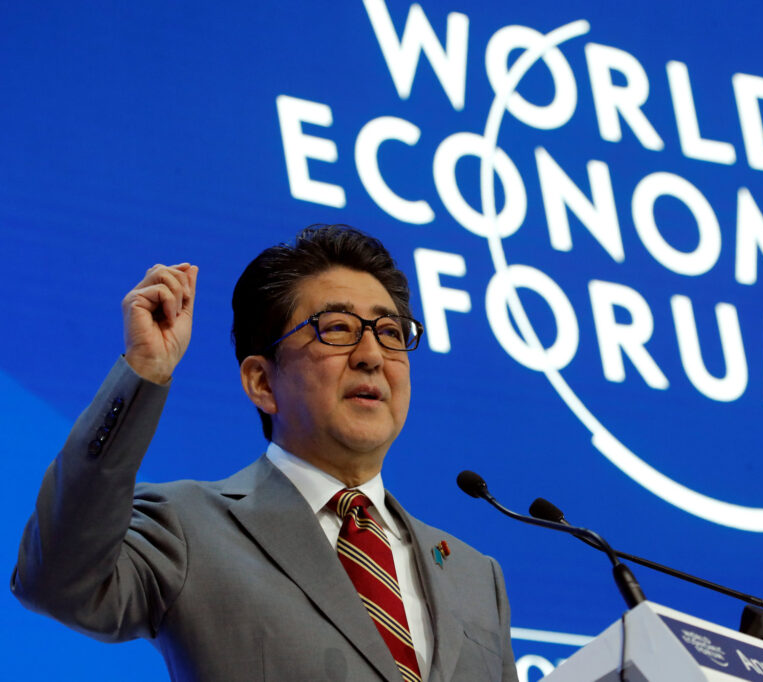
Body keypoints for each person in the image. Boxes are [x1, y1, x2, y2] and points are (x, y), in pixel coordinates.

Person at [12, 225, 517, 682]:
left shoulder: (476, 578)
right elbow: (56, 581)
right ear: (261, 381)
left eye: (389, 333)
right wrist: (143, 371)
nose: (371, 356)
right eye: (337, 329)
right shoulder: (187, 527)